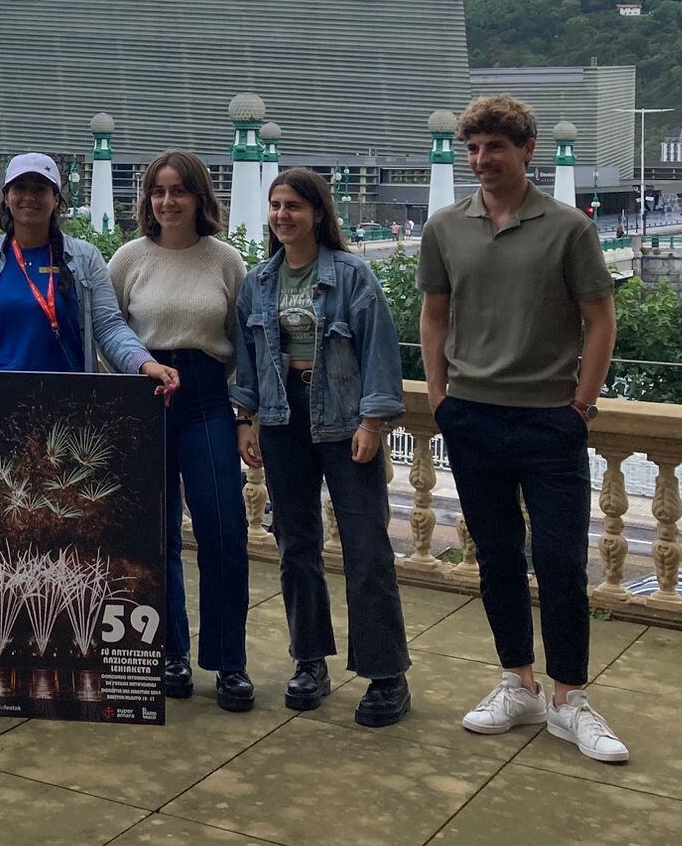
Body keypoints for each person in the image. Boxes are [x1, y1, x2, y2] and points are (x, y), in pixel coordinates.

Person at [419, 95, 627, 763]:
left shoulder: (568, 228)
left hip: (548, 421)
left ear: (527, 150)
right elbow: (434, 315)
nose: (481, 161)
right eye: (472, 149)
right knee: (499, 560)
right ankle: (519, 683)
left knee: (562, 561)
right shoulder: (445, 228)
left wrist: (581, 406)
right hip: (472, 418)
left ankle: (570, 699)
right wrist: (441, 398)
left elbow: (600, 320)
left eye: (494, 148)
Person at [231, 167, 412, 726]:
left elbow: (379, 350)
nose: (283, 216)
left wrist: (373, 422)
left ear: (317, 214)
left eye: (294, 207)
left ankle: (386, 673)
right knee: (296, 543)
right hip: (283, 416)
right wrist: (247, 417)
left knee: (366, 546)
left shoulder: (353, 275)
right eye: (276, 206)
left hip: (342, 415)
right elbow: (246, 353)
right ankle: (310, 660)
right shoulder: (259, 279)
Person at [108, 150, 254, 709]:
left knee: (222, 529)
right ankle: (169, 652)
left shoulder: (225, 261)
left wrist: (245, 415)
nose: (167, 201)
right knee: (156, 533)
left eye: (178, 191)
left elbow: (244, 344)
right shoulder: (127, 259)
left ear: (200, 197)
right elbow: (107, 327)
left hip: (208, 400)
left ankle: (229, 661)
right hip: (144, 401)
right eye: (157, 191)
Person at [0, 159, 180, 405]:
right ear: (6, 198)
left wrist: (144, 363)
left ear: (56, 199)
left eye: (40, 188)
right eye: (20, 188)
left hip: (69, 402)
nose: (29, 197)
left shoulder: (85, 258)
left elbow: (109, 327)